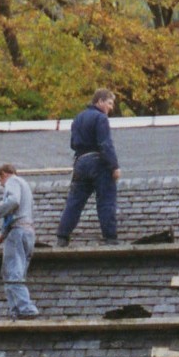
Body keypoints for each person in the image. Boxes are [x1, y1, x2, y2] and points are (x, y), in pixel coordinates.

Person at [56, 88, 121, 244]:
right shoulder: (101, 118)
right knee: (106, 200)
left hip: (80, 162)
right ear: (99, 101)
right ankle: (110, 238)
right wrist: (114, 166)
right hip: (98, 162)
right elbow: (105, 144)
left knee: (75, 201)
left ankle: (62, 236)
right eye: (109, 103)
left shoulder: (78, 118)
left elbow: (73, 144)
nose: (111, 108)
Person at [0, 162, 38, 317]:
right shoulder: (24, 185)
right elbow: (18, 212)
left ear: (4, 174)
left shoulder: (12, 181)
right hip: (27, 232)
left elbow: (13, 202)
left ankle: (25, 309)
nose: (0, 184)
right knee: (16, 274)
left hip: (18, 233)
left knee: (12, 273)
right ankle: (16, 311)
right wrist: (3, 234)